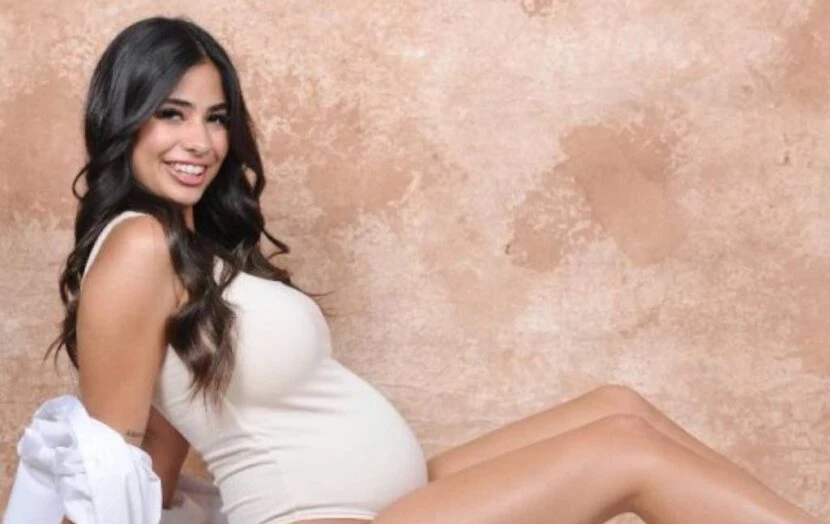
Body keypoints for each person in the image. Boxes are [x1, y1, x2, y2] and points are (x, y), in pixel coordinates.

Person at [44, 15, 819, 524]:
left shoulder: (191, 246)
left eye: (216, 118)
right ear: (124, 119)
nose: (201, 142)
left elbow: (160, 450)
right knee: (626, 453)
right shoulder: (137, 247)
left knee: (618, 408)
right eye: (171, 114)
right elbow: (112, 460)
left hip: (390, 501)